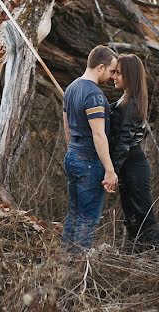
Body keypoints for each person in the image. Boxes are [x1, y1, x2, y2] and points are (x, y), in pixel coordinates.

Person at [62, 45, 118, 250]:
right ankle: (77, 265)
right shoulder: (93, 95)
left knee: (74, 213)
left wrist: (72, 151)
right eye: (112, 71)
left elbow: (67, 126)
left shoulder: (71, 88)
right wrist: (110, 170)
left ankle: (64, 259)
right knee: (87, 217)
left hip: (72, 156)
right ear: (100, 67)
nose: (112, 76)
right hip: (88, 162)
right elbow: (98, 134)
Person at [109, 53, 159, 252]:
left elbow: (123, 143)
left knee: (142, 215)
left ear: (130, 76)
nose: (114, 77)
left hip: (134, 168)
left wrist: (111, 171)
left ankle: (152, 257)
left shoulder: (132, 102)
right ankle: (134, 256)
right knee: (130, 216)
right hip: (128, 168)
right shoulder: (125, 98)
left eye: (118, 73)